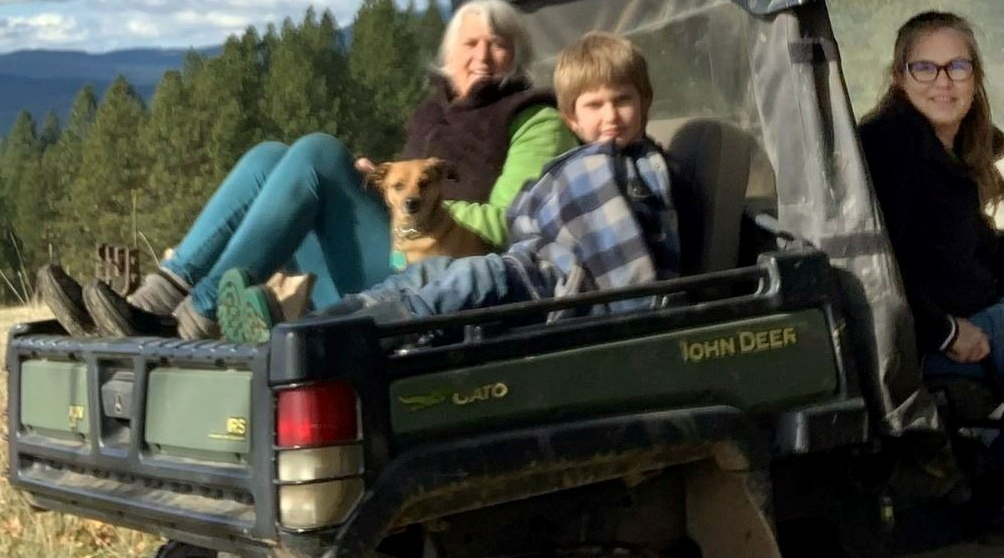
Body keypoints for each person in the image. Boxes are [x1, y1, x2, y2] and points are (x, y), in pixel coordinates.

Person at [36, 0, 574, 340]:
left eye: (498, 45)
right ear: (448, 54)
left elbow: (509, 221)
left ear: (516, 56)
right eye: (471, 43)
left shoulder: (532, 117)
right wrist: (386, 185)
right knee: (270, 157)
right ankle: (150, 303)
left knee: (317, 152)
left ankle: (198, 317)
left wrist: (417, 200)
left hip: (438, 280)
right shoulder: (432, 114)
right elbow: (406, 193)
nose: (482, 55)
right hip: (395, 253)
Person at [215, 31, 679, 342]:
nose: (611, 116)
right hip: (522, 268)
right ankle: (300, 329)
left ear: (646, 102)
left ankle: (320, 340)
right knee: (419, 277)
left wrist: (630, 310)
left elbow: (628, 252)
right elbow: (530, 219)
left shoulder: (638, 169)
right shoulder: (568, 165)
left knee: (457, 281)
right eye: (594, 105)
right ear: (572, 118)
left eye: (623, 100)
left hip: (545, 287)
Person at [857, 10, 1004, 541]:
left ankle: (999, 473)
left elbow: (966, 254)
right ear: (899, 78)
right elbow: (874, 269)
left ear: (975, 78)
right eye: (926, 68)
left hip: (942, 318)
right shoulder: (891, 148)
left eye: (957, 67)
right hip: (915, 340)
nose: (943, 82)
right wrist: (943, 330)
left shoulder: (941, 148)